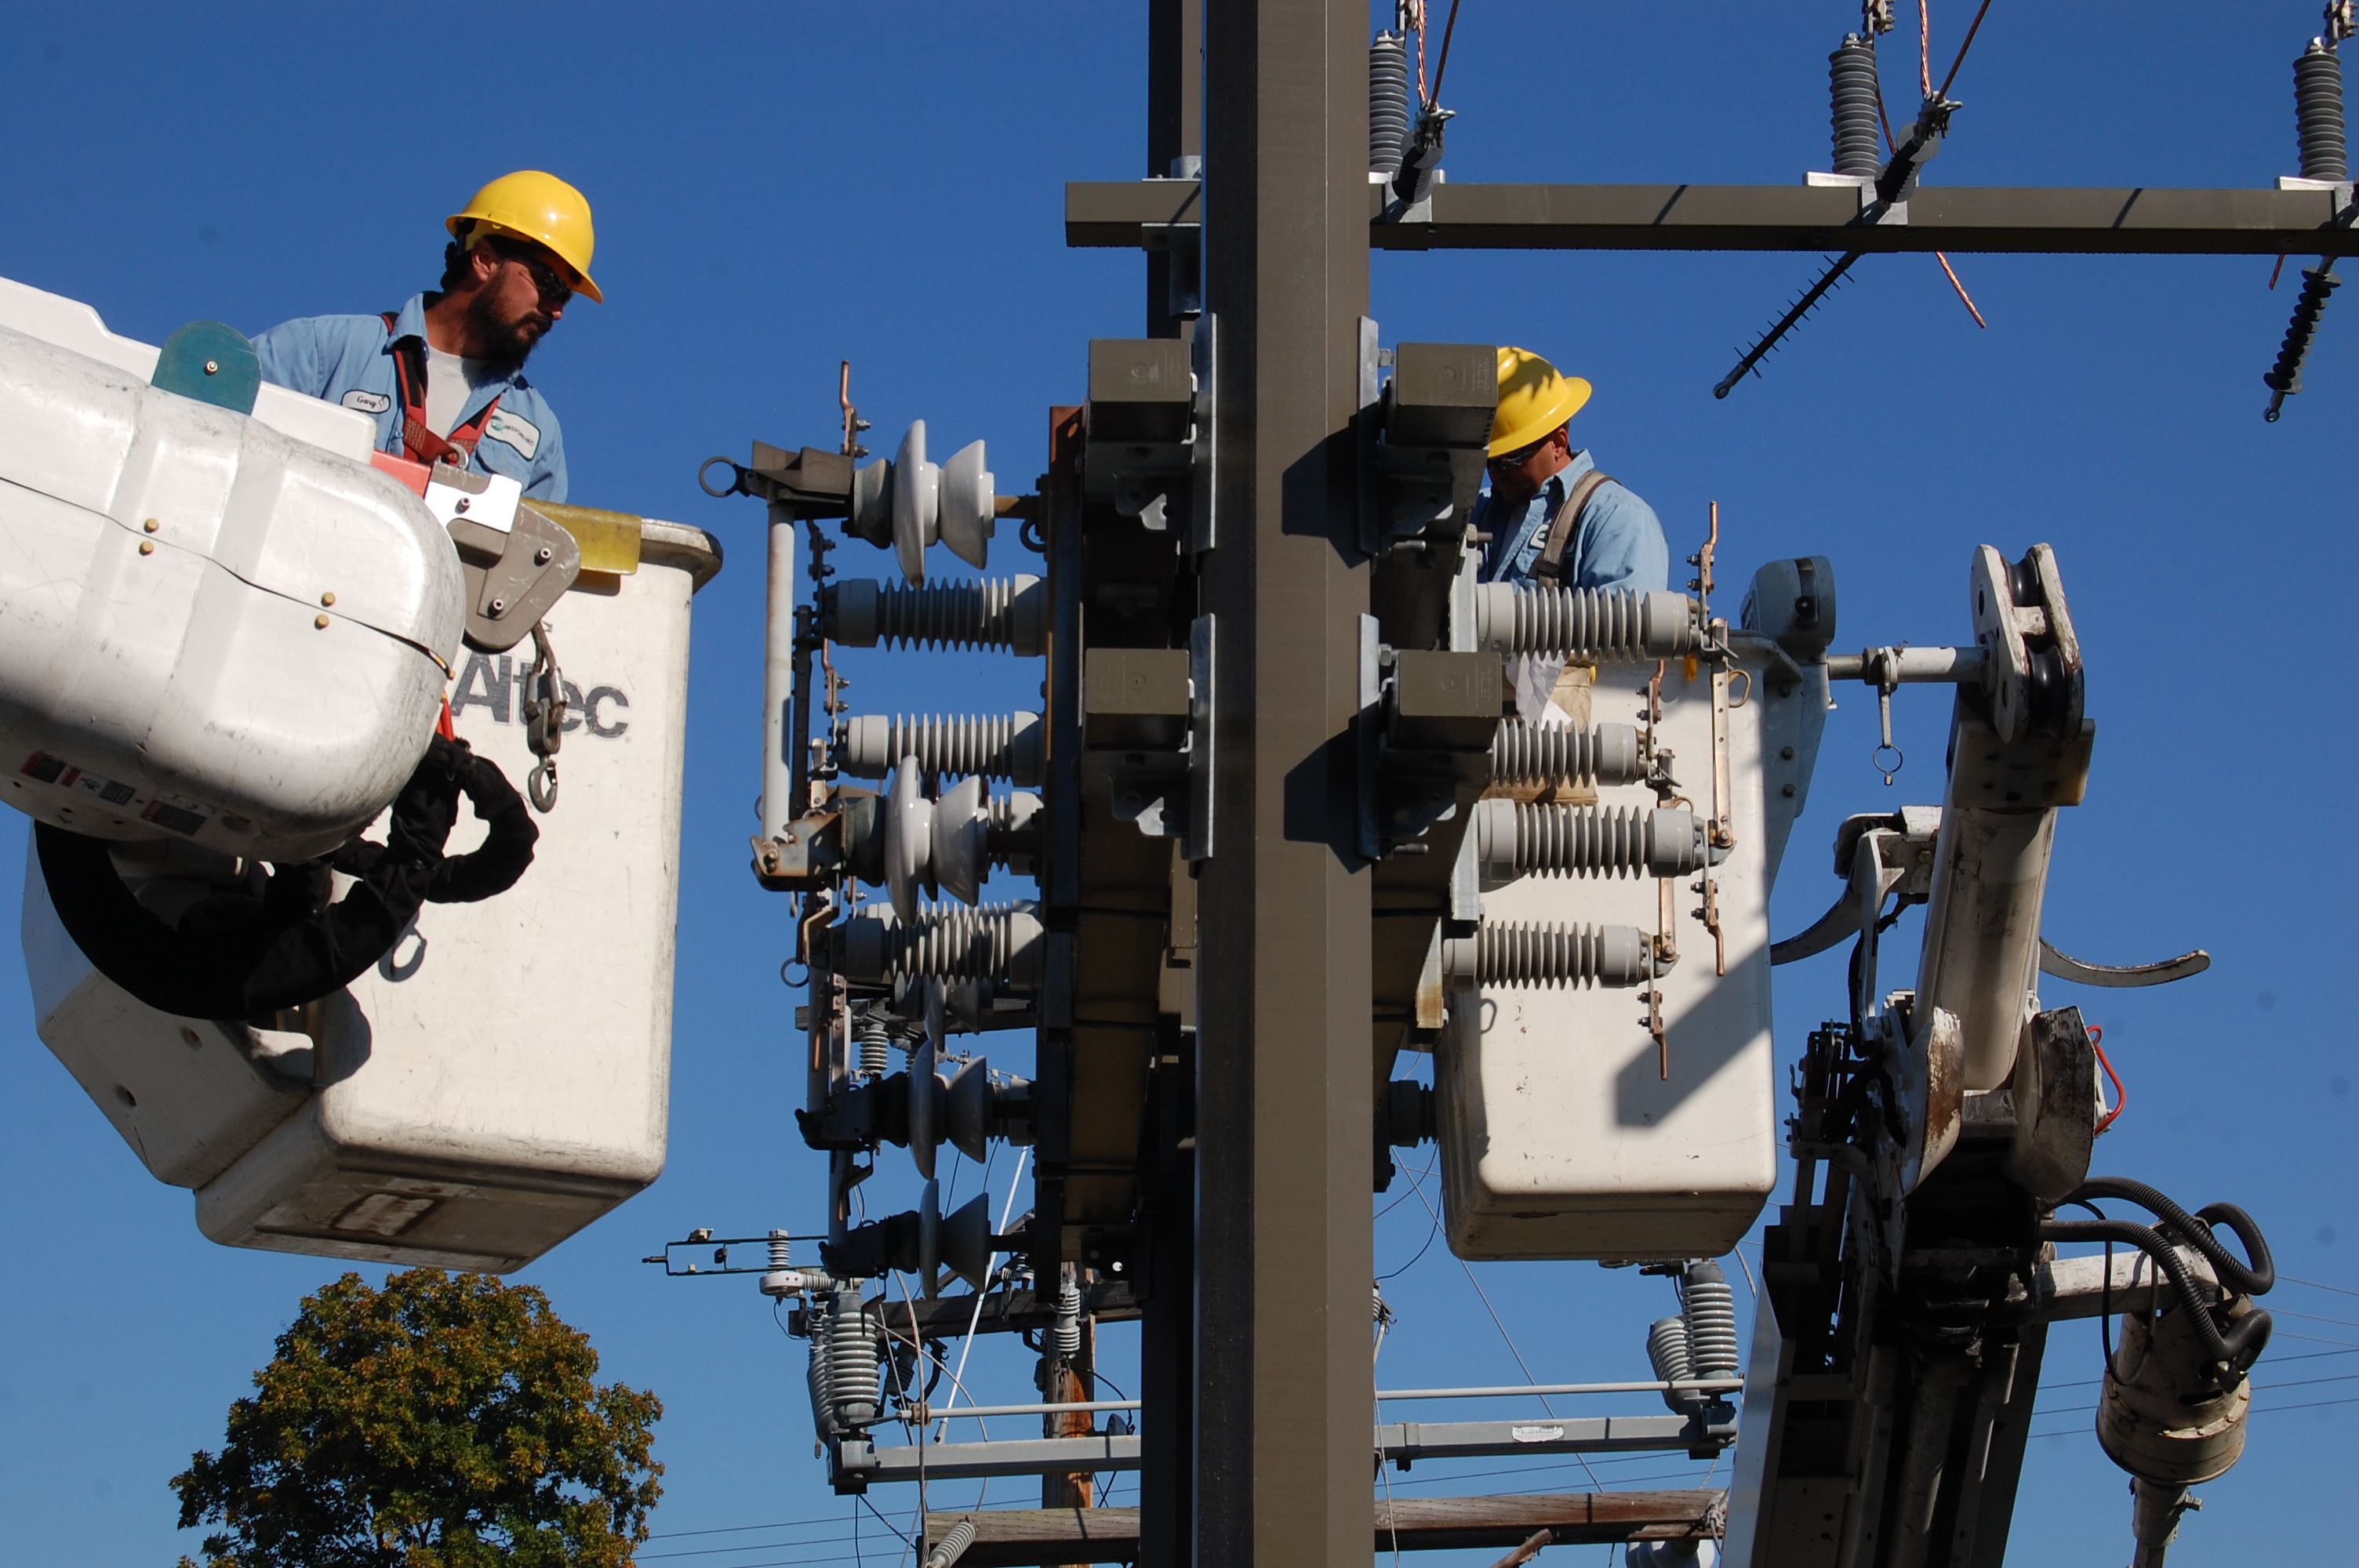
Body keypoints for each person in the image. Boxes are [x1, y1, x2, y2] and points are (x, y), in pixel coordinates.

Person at [253, 171, 602, 503]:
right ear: (484, 260)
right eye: (550, 285)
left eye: (566, 295)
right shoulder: (327, 353)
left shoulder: (538, 432)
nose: (557, 310)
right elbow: (211, 425)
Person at [1473, 347, 1668, 593]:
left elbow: (1627, 628)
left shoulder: (1615, 517)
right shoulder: (1476, 512)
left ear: (1558, 443)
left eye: (1511, 459)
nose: (1496, 473)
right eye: (1488, 461)